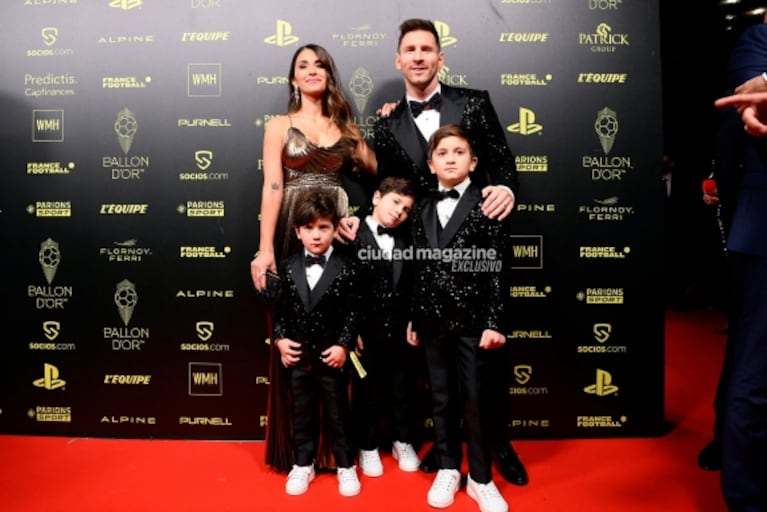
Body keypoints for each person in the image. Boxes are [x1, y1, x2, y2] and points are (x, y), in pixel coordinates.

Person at [373, 17, 527, 486]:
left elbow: (503, 164)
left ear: (440, 57)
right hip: (420, 255)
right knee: (428, 360)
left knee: (485, 361)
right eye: (410, 50)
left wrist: (508, 191)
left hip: (476, 248)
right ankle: (441, 451)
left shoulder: (474, 103)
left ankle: (496, 442)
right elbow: (381, 188)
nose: (418, 56)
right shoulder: (387, 122)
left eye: (427, 49)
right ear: (398, 60)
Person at [249, 43, 376, 474]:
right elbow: (272, 187)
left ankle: (340, 454)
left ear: (329, 74)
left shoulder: (347, 127)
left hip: (335, 229)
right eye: (302, 65)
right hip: (292, 229)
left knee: (342, 332)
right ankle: (299, 454)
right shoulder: (279, 125)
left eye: (319, 64)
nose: (311, 71)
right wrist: (266, 249)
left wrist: (394, 121)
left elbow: (381, 168)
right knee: (294, 336)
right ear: (292, 78)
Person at [407, 124, 508, 512]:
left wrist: (495, 321)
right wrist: (415, 317)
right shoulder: (422, 206)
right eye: (443, 153)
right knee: (441, 397)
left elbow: (498, 267)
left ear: (473, 161)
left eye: (459, 152)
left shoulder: (489, 203)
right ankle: (448, 467)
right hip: (432, 319)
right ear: (431, 164)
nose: (451, 158)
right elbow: (418, 266)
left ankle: (481, 479)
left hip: (473, 320)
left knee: (476, 400)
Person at [271, 189, 363, 497]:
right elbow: (281, 312)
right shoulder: (286, 267)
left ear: (335, 229)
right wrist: (281, 340)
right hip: (298, 359)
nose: (316, 235)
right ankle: (303, 463)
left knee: (339, 414)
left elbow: (353, 312)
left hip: (331, 358)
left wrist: (344, 345)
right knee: (302, 413)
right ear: (297, 231)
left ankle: (346, 465)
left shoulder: (347, 267)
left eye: (323, 227)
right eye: (308, 228)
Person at [711, 23, 767, 511]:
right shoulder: (758, 40)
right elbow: (751, 96)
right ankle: (746, 498)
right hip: (764, 228)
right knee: (756, 367)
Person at [347, 176, 421, 477]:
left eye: (405, 209)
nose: (398, 212)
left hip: (400, 329)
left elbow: (416, 283)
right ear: (377, 197)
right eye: (395, 202)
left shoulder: (408, 239)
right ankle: (368, 445)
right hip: (365, 331)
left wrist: (415, 317)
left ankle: (402, 440)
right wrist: (350, 331)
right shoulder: (349, 234)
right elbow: (343, 288)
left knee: (402, 387)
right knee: (366, 389)